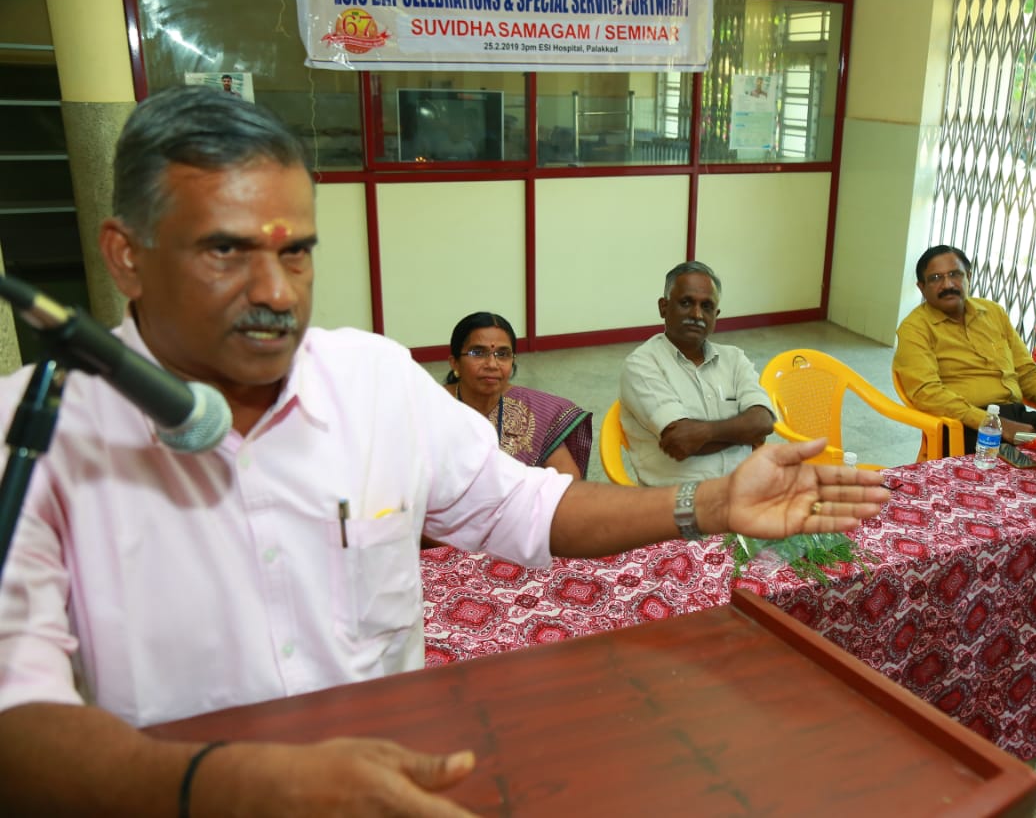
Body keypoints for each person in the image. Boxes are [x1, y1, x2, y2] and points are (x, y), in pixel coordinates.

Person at [0, 86, 890, 816]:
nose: (276, 291)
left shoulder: (376, 382)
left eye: (298, 252)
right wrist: (223, 786)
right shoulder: (32, 436)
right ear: (126, 256)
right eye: (225, 251)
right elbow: (17, 721)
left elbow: (524, 504)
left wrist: (711, 501)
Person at [893, 244, 1036, 452]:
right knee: (1019, 456)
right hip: (965, 424)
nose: (947, 284)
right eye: (936, 278)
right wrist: (991, 423)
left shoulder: (993, 312)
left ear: (968, 277)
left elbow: (1025, 372)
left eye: (955, 274)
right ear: (922, 287)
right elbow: (926, 393)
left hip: (1017, 417)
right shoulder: (915, 329)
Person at [619, 261, 776, 486]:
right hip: (678, 497)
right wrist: (744, 432)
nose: (697, 314)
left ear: (716, 315)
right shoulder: (642, 364)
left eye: (707, 306)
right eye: (686, 303)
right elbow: (681, 441)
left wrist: (703, 432)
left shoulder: (734, 358)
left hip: (743, 487)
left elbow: (763, 422)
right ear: (664, 307)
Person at [444, 311, 591, 479]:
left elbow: (569, 483)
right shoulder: (431, 407)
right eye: (477, 353)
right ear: (454, 362)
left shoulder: (538, 411)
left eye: (503, 354)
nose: (492, 364)